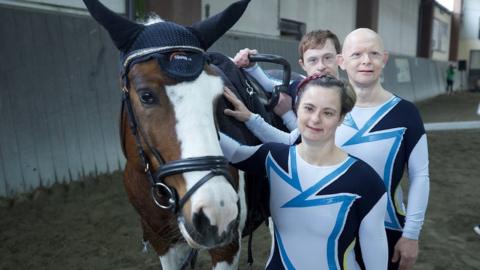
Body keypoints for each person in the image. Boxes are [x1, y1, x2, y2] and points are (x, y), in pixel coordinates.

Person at [226, 28, 430, 270]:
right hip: (332, 227)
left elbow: (420, 176)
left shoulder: (405, 112)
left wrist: (411, 233)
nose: (365, 61)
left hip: (386, 228)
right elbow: (290, 142)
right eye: (356, 54)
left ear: (384, 58)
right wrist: (250, 117)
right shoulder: (328, 107)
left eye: (373, 53)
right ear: (343, 61)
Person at [221, 74, 388, 269]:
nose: (315, 119)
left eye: (328, 113)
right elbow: (228, 150)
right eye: (309, 108)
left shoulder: (367, 182)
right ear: (297, 109)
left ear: (341, 118)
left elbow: (376, 258)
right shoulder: (273, 158)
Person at [231, 29, 341, 131]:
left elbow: (316, 139)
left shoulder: (350, 98)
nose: (321, 66)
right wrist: (252, 65)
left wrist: (287, 114)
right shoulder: (298, 88)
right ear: (303, 65)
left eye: (327, 58)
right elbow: (270, 85)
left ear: (339, 59)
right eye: (313, 60)